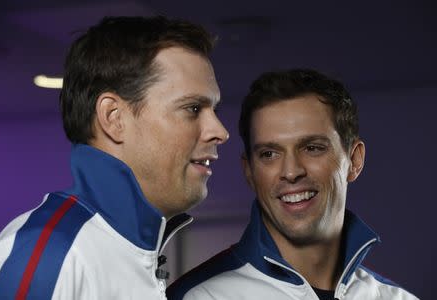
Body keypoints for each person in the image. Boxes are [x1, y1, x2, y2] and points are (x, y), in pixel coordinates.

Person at [0, 16, 228, 299]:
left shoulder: (122, 250)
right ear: (114, 118)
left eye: (214, 110)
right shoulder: (53, 254)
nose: (220, 131)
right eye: (192, 108)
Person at [167, 69, 418, 300]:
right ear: (249, 172)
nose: (291, 171)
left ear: (354, 160)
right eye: (269, 154)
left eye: (312, 148)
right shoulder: (198, 297)